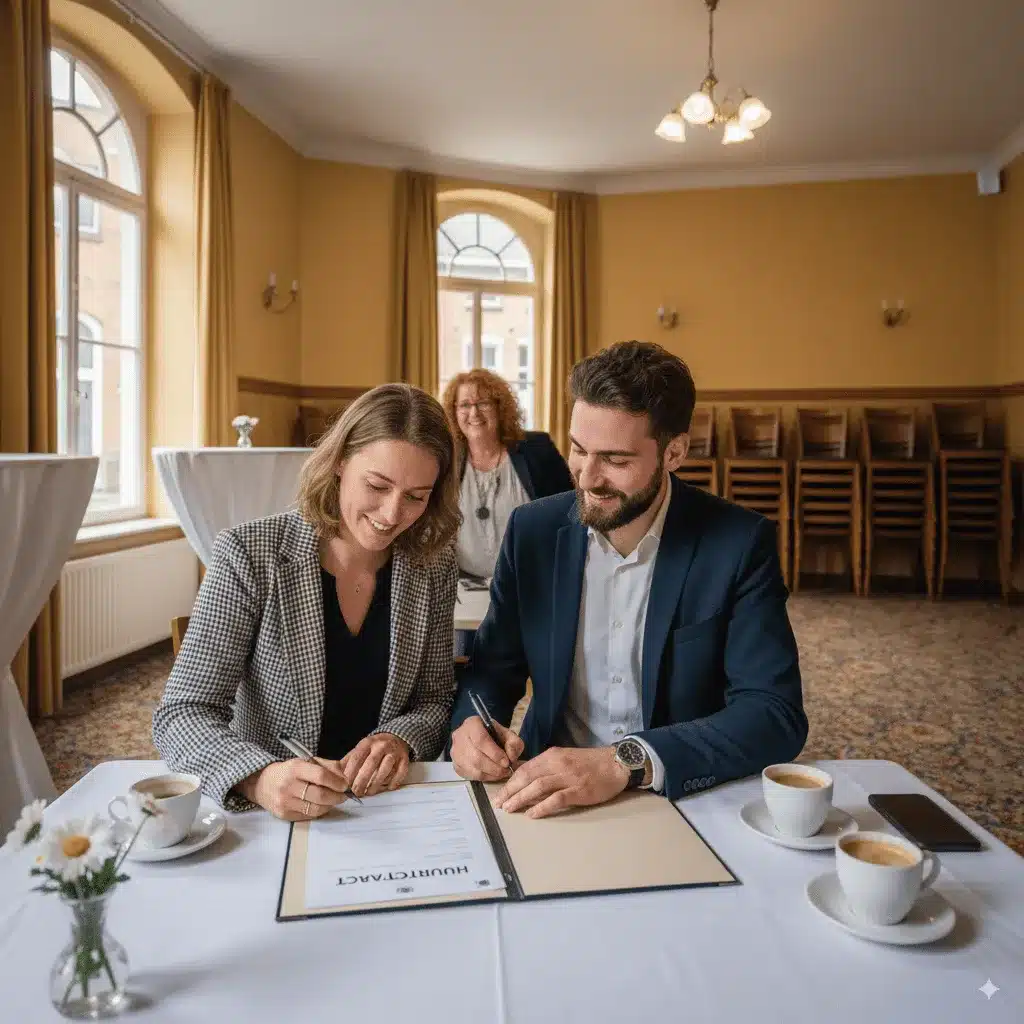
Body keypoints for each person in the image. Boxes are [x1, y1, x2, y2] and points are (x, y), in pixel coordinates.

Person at [449, 341, 808, 817]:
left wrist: (626, 762)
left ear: (675, 452)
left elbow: (773, 713)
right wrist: (473, 722)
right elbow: (493, 668)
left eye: (616, 461)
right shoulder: (532, 531)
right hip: (549, 792)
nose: (588, 478)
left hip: (680, 794)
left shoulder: (738, 543)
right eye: (578, 449)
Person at [153, 383, 461, 820]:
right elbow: (183, 712)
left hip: (386, 809)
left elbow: (434, 698)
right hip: (270, 813)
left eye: (416, 497)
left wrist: (400, 739)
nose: (392, 514)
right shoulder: (251, 553)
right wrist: (258, 777)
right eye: (377, 485)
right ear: (338, 463)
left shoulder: (433, 562)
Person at [441, 368, 573, 582]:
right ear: (454, 412)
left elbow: (571, 511)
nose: (474, 413)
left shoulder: (537, 449)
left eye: (483, 403)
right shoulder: (446, 460)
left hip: (533, 582)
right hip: (466, 585)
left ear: (499, 408)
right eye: (465, 404)